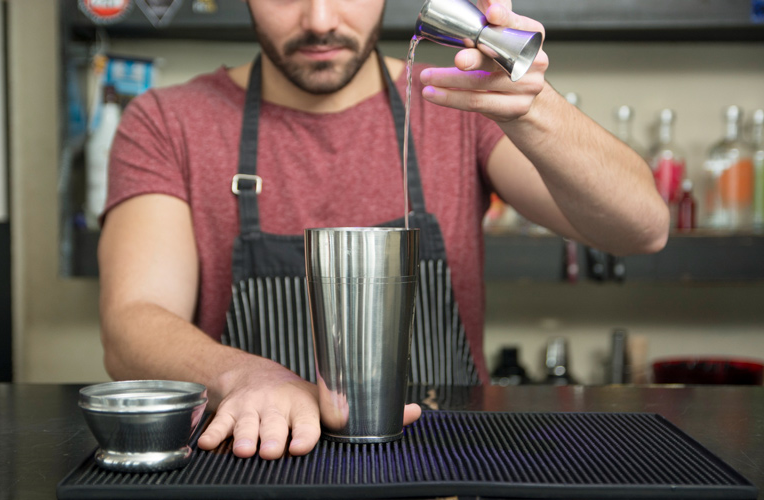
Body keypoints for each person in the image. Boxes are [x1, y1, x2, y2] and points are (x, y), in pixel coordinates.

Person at [97, 0, 669, 461]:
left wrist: (535, 107)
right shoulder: (167, 121)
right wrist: (243, 375)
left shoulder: (457, 97)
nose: (319, 19)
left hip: (449, 462)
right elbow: (131, 326)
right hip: (257, 460)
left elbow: (642, 228)